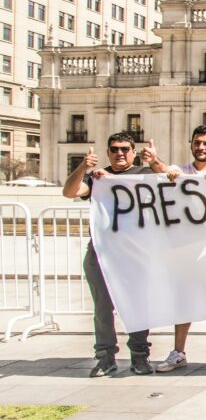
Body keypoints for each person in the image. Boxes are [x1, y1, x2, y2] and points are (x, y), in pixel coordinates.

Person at [141, 126, 206, 374]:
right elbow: (163, 171)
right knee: (182, 299)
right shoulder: (181, 171)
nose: (201, 147)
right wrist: (154, 161)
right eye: (197, 143)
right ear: (192, 145)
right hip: (186, 248)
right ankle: (178, 352)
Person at [62, 132, 154, 377]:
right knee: (102, 308)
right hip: (101, 253)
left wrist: (158, 163)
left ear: (134, 152)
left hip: (134, 254)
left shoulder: (145, 175)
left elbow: (173, 187)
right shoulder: (96, 178)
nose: (120, 153)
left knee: (137, 305)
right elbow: (70, 192)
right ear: (108, 152)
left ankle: (139, 356)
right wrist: (83, 167)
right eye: (114, 149)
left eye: (125, 149)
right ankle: (105, 357)